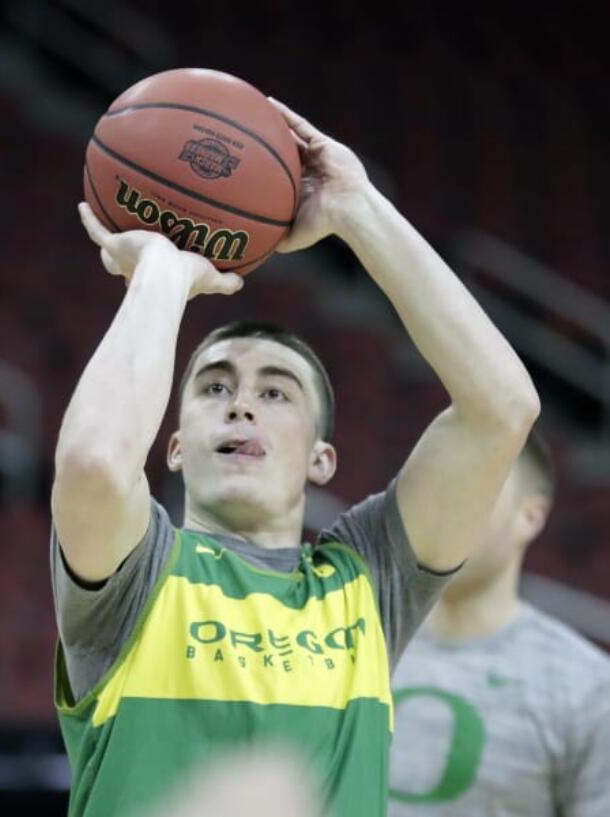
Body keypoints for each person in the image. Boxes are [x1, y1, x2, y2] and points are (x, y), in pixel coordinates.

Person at [50, 97, 540, 817]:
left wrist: (357, 208)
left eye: (275, 392)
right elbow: (94, 462)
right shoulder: (138, 577)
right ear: (175, 446)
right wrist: (162, 272)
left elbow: (503, 407)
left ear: (322, 459)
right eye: (215, 386)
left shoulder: (369, 582)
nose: (241, 403)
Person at [389, 430, 610, 816]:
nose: (442, 508)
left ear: (530, 517)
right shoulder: (343, 642)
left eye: (471, 487)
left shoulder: (589, 689)